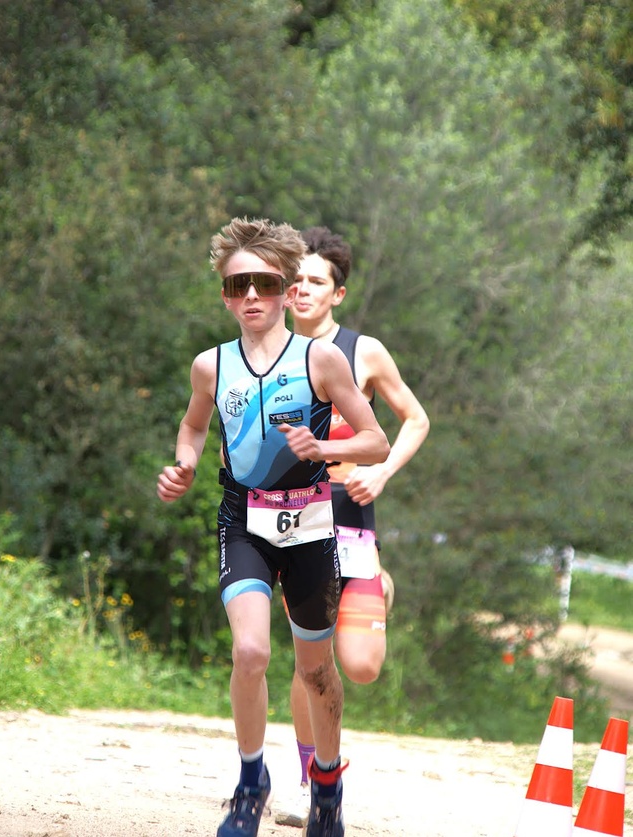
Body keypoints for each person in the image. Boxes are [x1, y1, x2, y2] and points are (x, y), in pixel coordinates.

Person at [156, 217, 390, 837]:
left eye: (263, 283)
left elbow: (376, 440)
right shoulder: (211, 365)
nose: (250, 296)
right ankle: (250, 780)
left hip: (313, 525)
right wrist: (184, 464)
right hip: (245, 519)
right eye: (238, 286)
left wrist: (321, 448)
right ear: (225, 295)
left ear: (287, 289)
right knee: (252, 651)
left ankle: (329, 788)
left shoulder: (319, 359)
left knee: (316, 671)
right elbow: (194, 426)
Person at [273, 226, 430, 827]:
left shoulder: (364, 351)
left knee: (360, 665)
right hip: (292, 520)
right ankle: (313, 782)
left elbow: (414, 419)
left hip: (352, 519)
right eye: (296, 280)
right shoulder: (268, 353)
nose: (303, 289)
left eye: (316, 280)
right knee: (309, 662)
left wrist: (383, 472)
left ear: (337, 293)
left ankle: (378, 585)